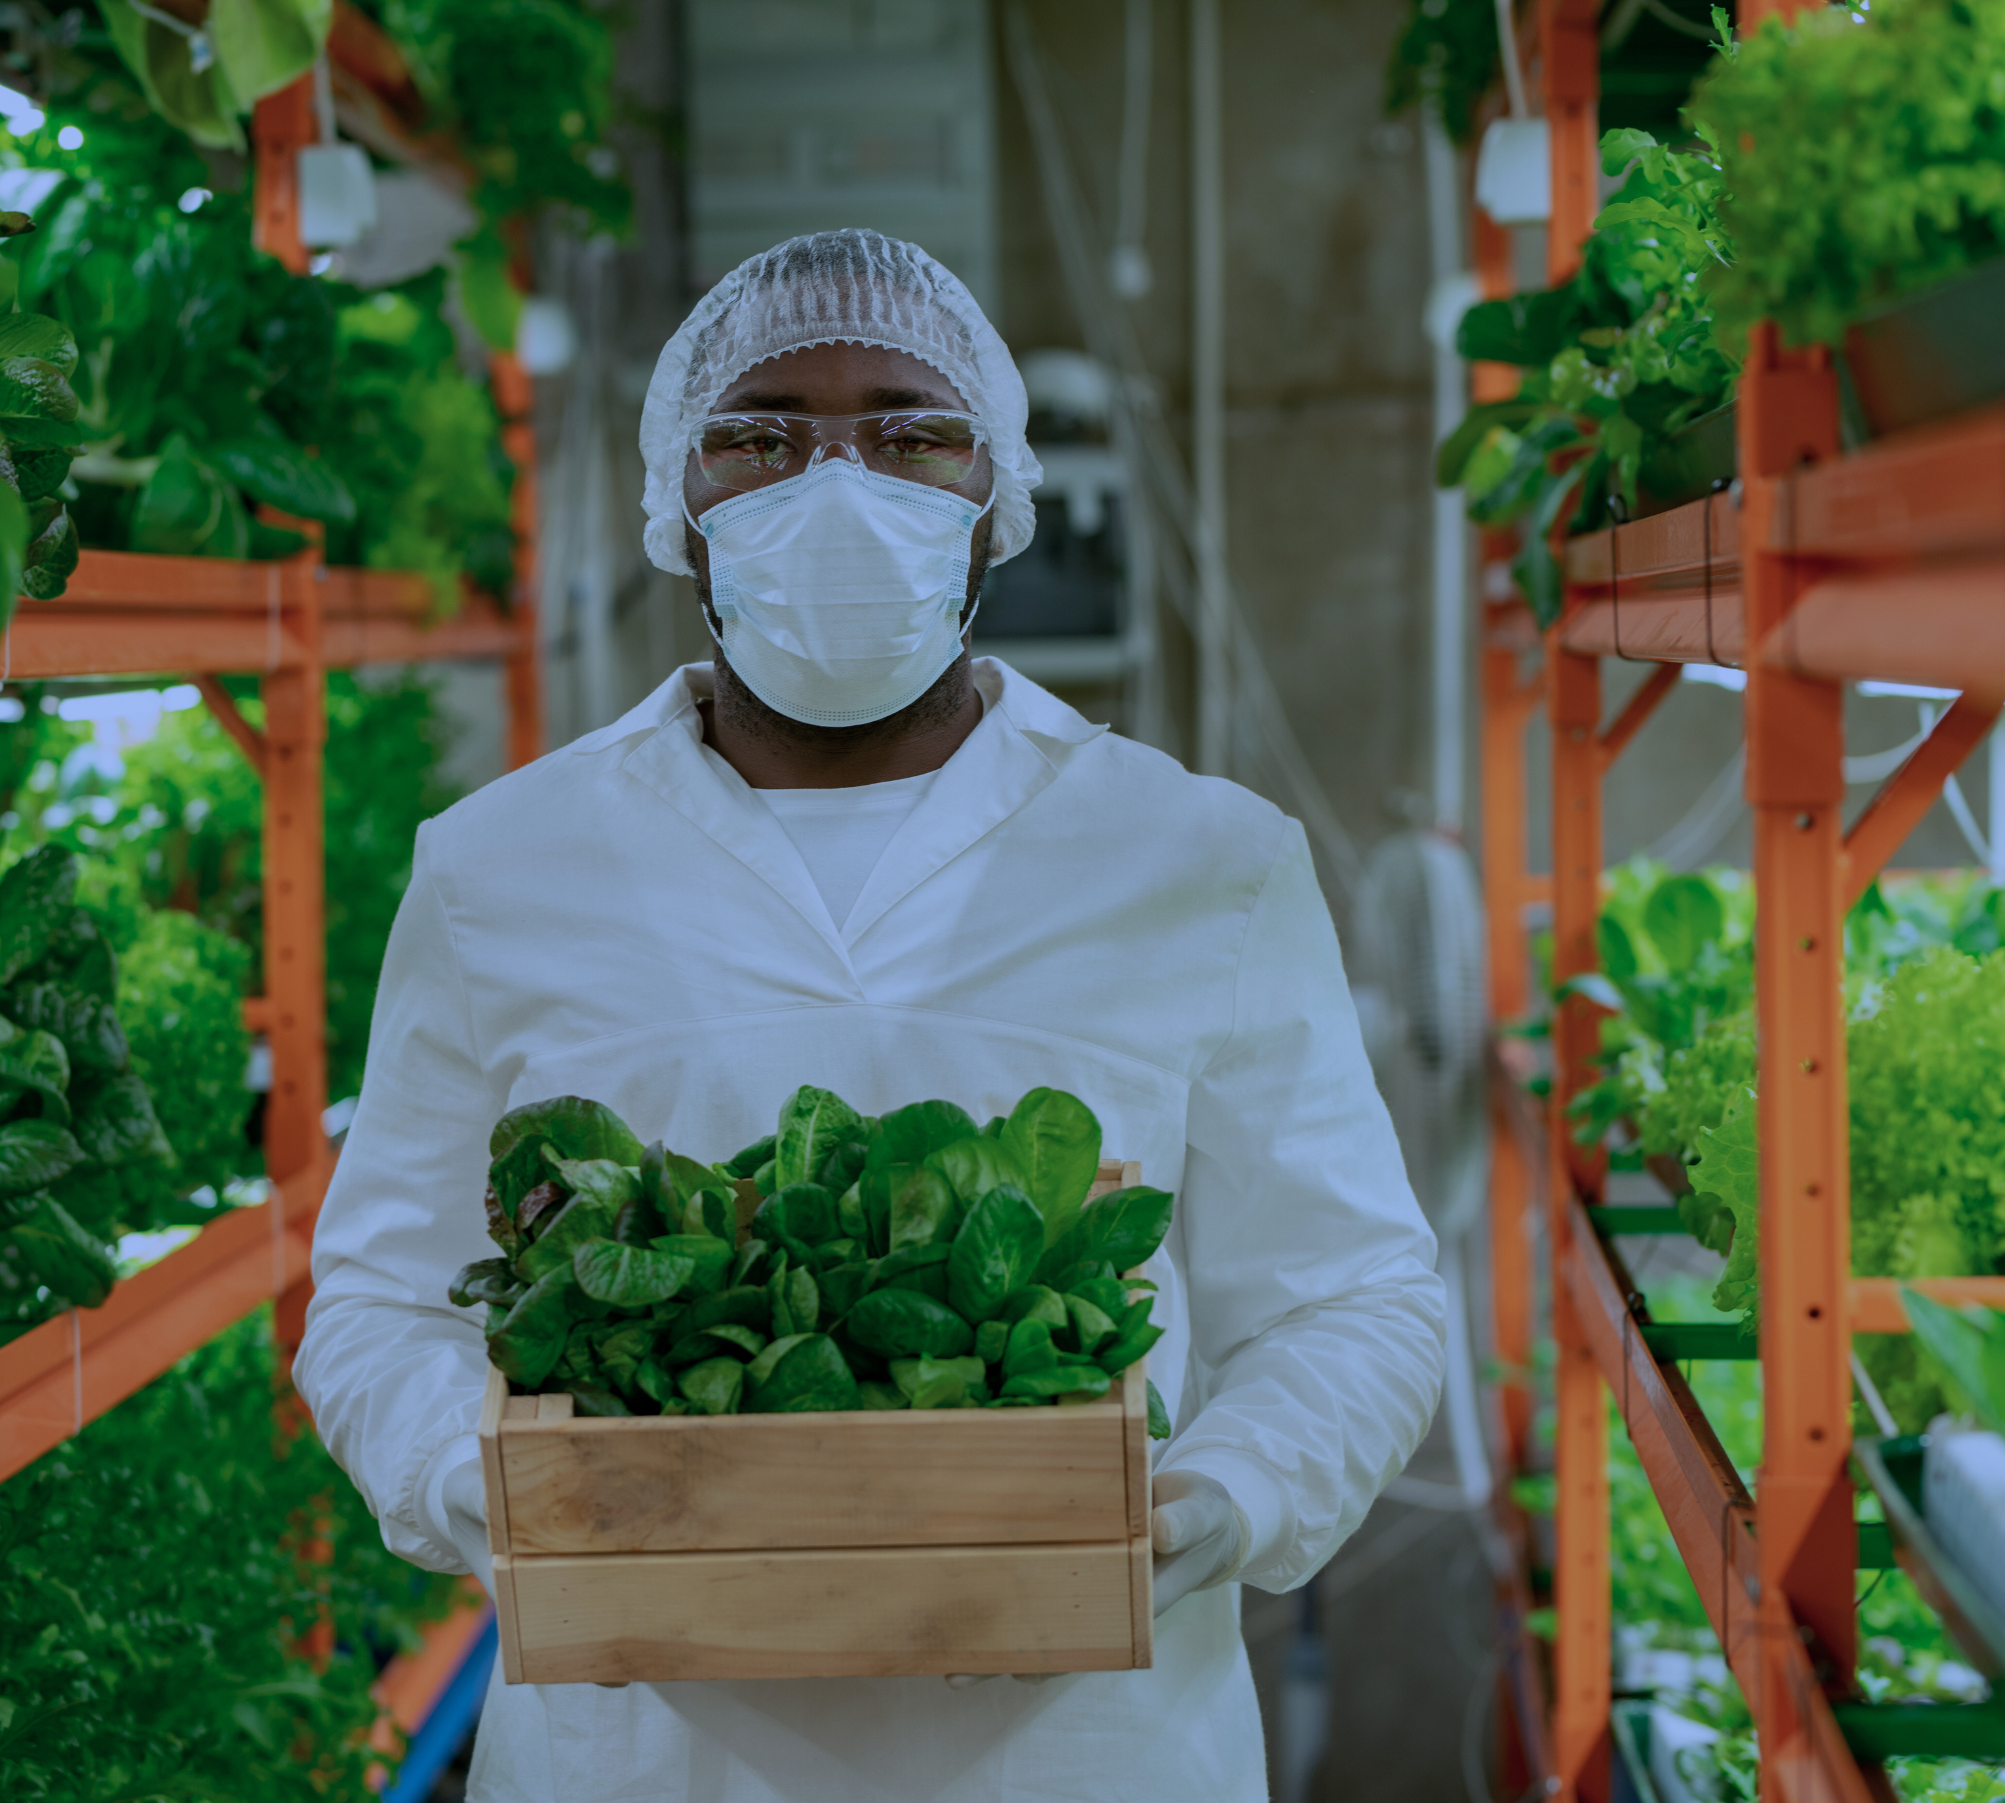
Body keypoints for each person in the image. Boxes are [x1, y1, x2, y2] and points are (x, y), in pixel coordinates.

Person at [295, 228, 1446, 1801]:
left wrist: (1213, 1500)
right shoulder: (502, 868)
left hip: (1089, 1757)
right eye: (759, 436)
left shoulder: (1203, 861)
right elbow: (375, 1303)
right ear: (677, 498)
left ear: (997, 494)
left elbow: (1356, 1294)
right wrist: (500, 1493)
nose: (838, 486)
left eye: (913, 432)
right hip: (635, 1758)